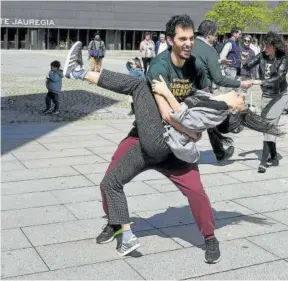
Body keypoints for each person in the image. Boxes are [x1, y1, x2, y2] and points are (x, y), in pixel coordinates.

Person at [63, 41, 283, 264]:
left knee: (197, 194)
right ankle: (115, 222)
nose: (241, 95)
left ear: (234, 110)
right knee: (108, 182)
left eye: (242, 100)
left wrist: (173, 103)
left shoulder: (217, 109)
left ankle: (209, 238)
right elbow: (217, 82)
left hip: (170, 148)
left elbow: (179, 116)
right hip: (145, 138)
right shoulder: (209, 95)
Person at [192, 20, 253, 158]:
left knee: (209, 121)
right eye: (215, 35)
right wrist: (240, 84)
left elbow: (199, 62)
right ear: (208, 35)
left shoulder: (191, 44)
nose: (216, 38)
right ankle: (232, 128)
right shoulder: (210, 50)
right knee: (214, 118)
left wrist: (218, 61)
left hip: (187, 89)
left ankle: (219, 151)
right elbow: (219, 79)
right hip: (203, 90)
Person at [243, 31, 288, 173]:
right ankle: (274, 157)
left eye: (268, 46)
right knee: (266, 126)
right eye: (264, 46)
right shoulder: (262, 55)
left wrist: (259, 81)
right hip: (266, 95)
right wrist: (244, 61)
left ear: (275, 46)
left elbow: (279, 77)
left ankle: (263, 162)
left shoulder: (284, 57)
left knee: (268, 125)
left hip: (280, 95)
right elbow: (248, 65)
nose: (265, 49)